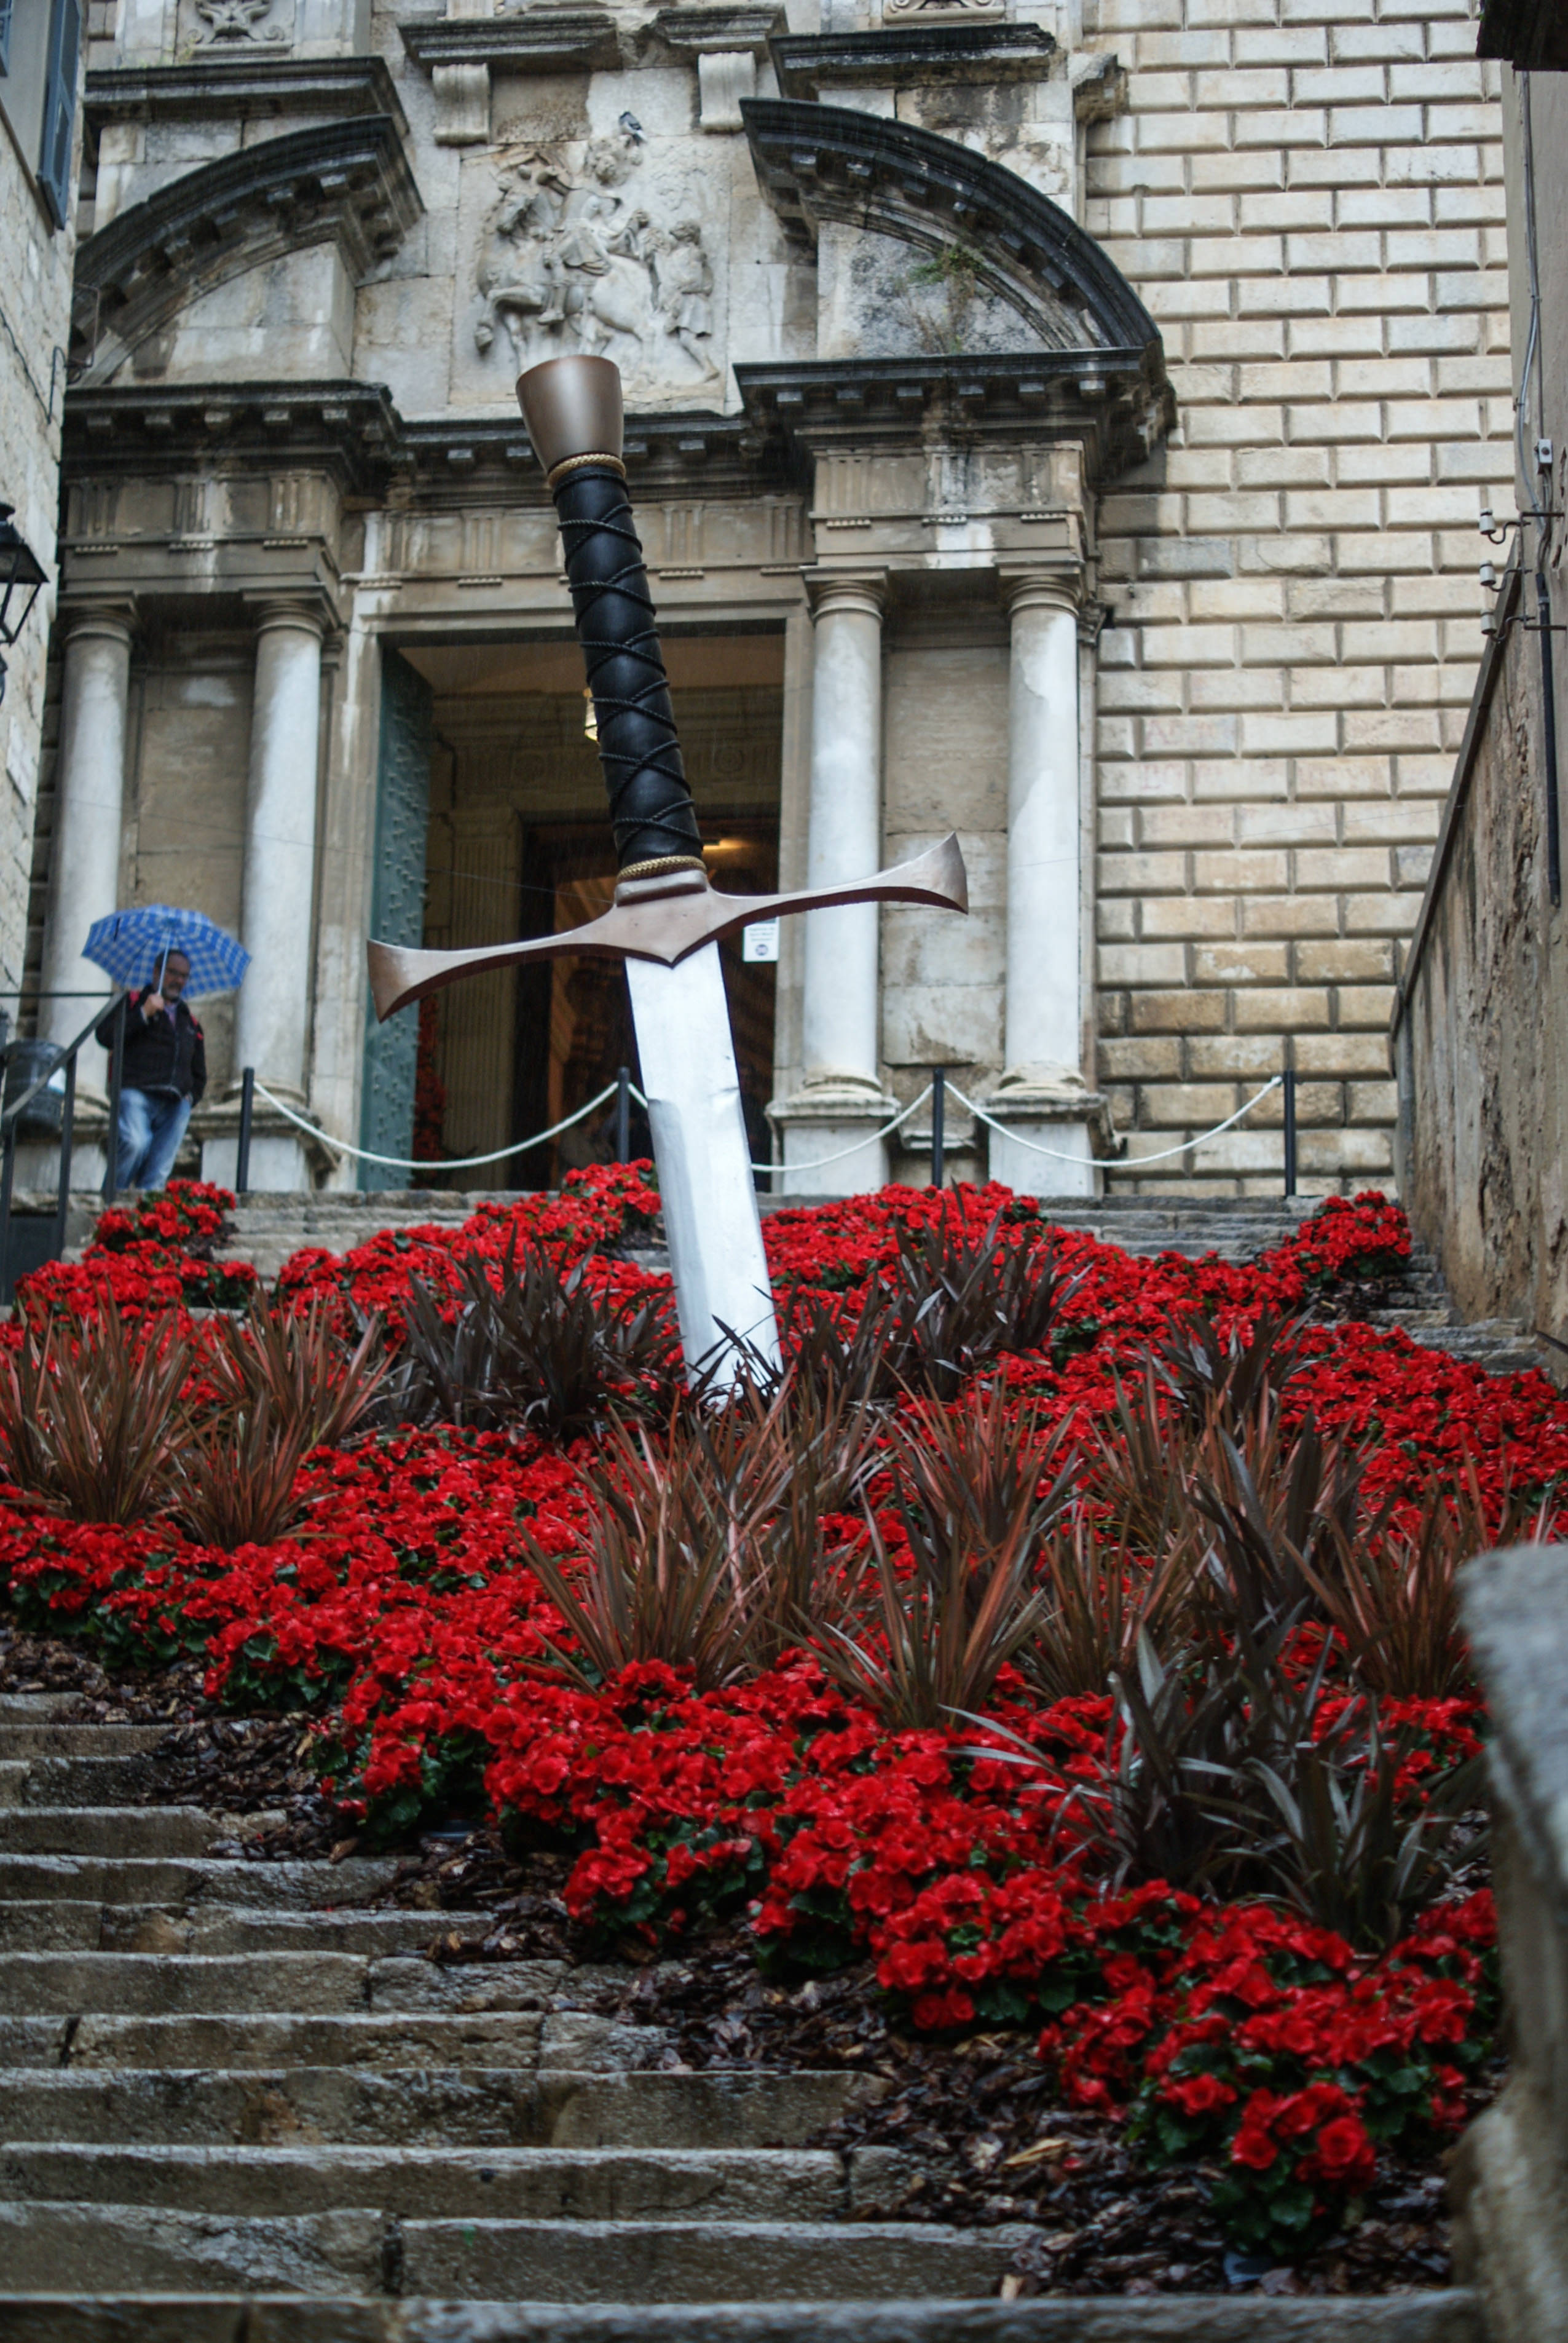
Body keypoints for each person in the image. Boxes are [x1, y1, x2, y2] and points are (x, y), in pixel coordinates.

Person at [96, 949, 207, 1190]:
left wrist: (190, 1097)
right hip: (136, 1093)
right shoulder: (132, 1002)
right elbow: (104, 1035)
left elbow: (199, 1073)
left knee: (159, 1170)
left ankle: (146, 1212)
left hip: (175, 1105)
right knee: (135, 1144)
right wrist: (143, 1014)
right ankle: (112, 1202)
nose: (179, 981)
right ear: (157, 972)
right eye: (173, 973)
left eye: (184, 976)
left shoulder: (191, 1022)